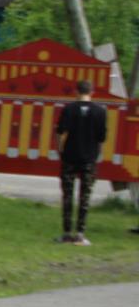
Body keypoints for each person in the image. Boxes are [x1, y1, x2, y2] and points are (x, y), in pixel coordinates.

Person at [55, 80, 106, 245]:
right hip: (89, 159)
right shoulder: (100, 112)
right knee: (85, 197)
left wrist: (61, 149)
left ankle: (66, 232)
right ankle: (80, 234)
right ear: (92, 92)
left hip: (70, 157)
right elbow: (101, 138)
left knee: (68, 195)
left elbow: (61, 132)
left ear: (76, 92)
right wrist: (98, 153)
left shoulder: (69, 109)